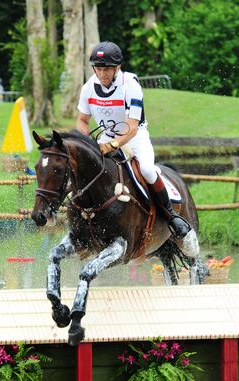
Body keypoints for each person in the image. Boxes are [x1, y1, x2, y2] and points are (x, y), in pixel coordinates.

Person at [75, 41, 191, 239]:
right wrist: (87, 144)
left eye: (107, 69)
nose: (102, 73)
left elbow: (132, 127)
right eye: (98, 68)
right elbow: (82, 121)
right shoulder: (88, 88)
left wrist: (111, 146)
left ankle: (171, 215)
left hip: (134, 138)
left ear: (118, 67)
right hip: (106, 138)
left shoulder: (130, 85)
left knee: (147, 169)